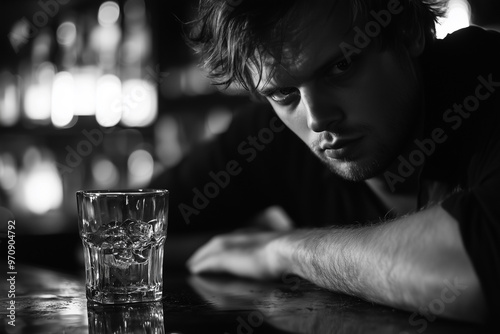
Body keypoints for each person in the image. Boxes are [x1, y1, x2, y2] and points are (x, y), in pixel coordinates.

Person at [150, 0, 500, 323]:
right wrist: (238, 247)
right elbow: (131, 227)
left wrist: (283, 250)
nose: (316, 118)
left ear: (406, 32)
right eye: (283, 93)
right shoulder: (268, 136)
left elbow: (477, 267)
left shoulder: (486, 80)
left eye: (340, 66)